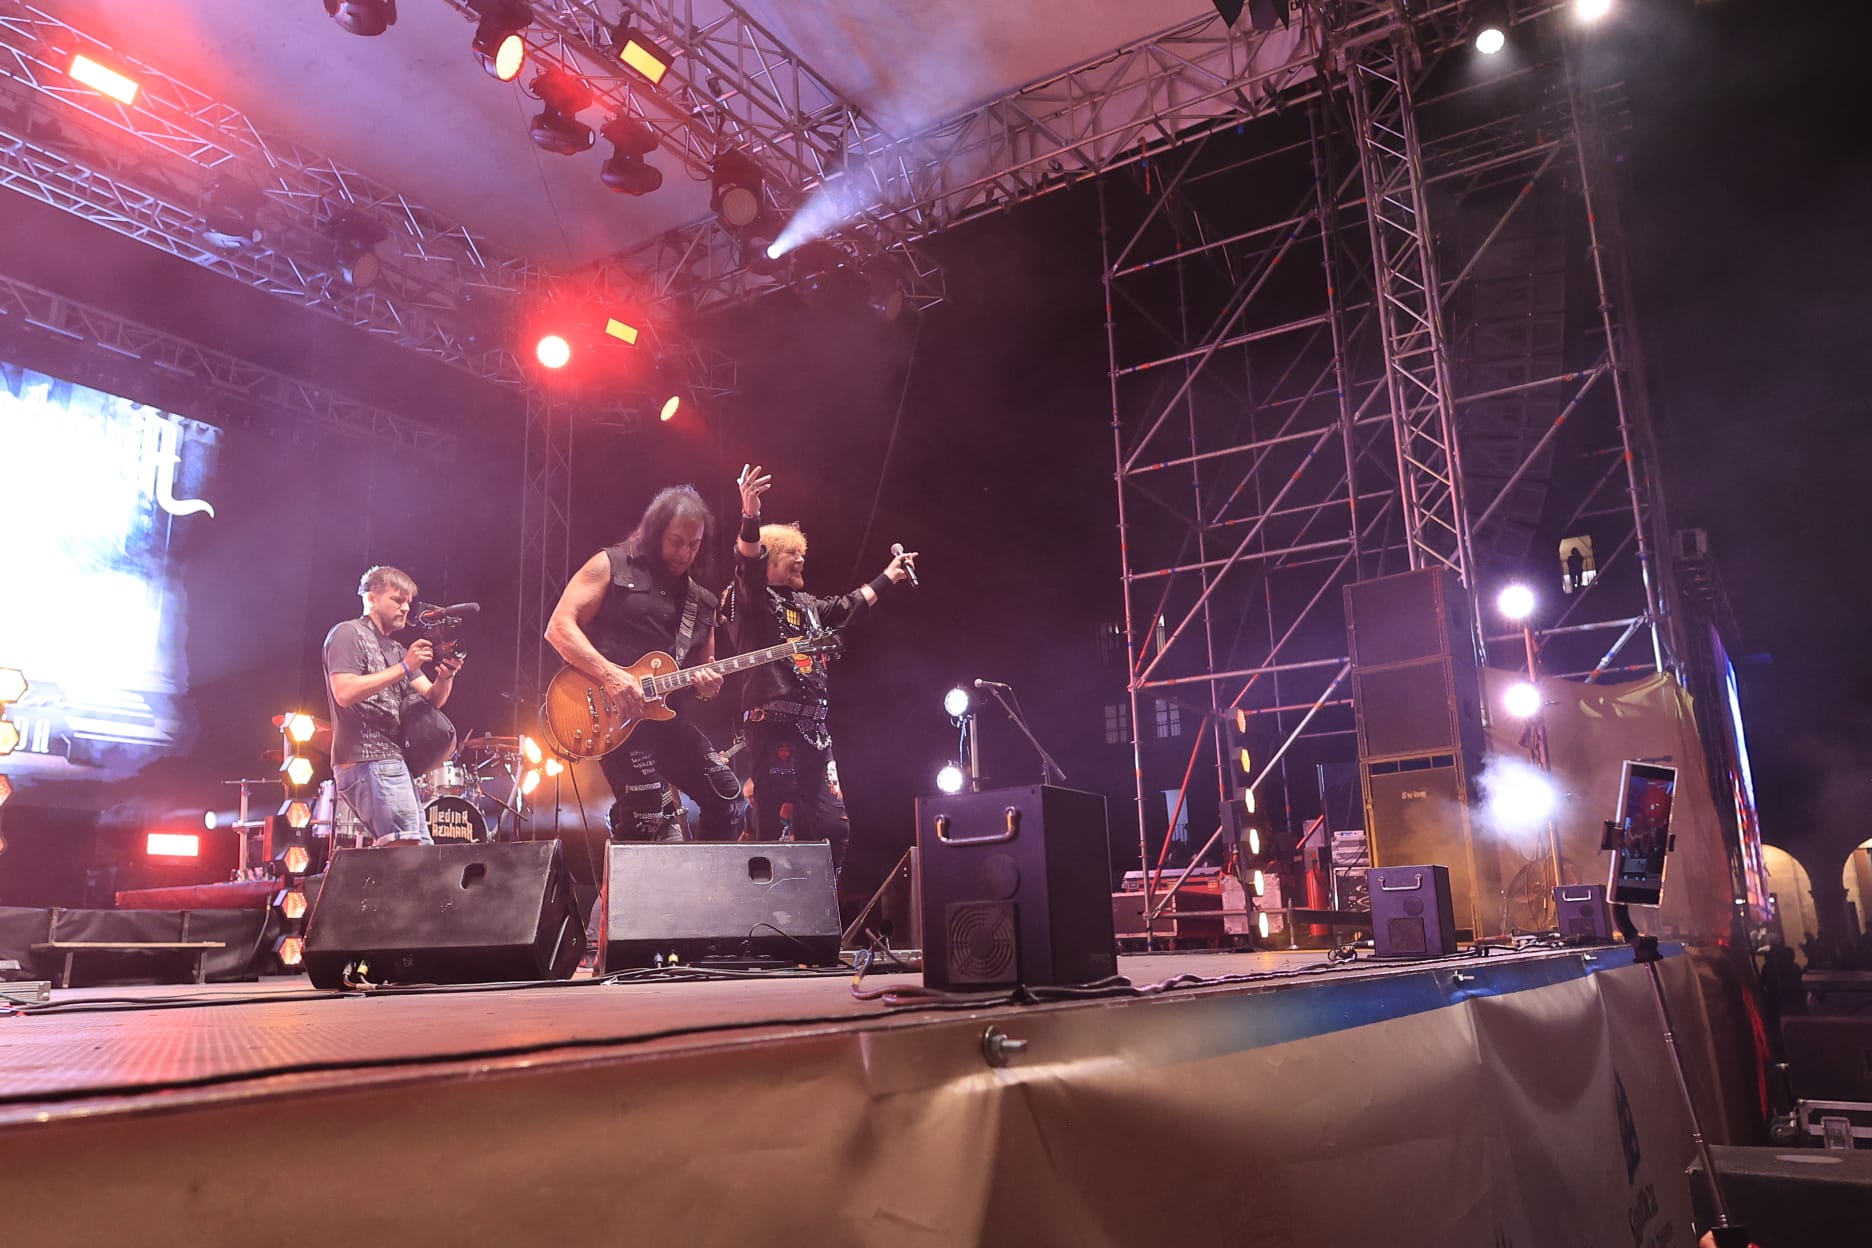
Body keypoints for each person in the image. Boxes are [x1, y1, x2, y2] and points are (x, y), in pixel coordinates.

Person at [719, 465, 916, 875]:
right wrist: (750, 515)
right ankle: (757, 914)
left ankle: (821, 916)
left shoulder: (807, 606)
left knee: (832, 826)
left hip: (816, 733)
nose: (801, 557)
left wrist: (888, 576)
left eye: (801, 551)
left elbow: (846, 607)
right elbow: (747, 565)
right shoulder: (753, 601)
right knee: (771, 823)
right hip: (772, 726)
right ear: (770, 559)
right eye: (792, 552)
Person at [545, 485, 743, 843]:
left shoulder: (702, 602)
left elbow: (704, 669)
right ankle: (616, 900)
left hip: (665, 720)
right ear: (655, 532)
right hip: (611, 711)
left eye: (693, 544)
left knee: (728, 798)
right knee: (646, 811)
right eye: (676, 540)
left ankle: (706, 892)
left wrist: (709, 686)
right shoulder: (611, 564)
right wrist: (611, 677)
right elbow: (559, 628)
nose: (684, 552)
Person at [323, 565, 464, 847]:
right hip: (367, 759)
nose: (405, 609)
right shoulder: (347, 633)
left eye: (408, 603)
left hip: (392, 762)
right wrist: (404, 666)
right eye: (397, 600)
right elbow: (345, 691)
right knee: (407, 853)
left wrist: (446, 675)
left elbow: (432, 698)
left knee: (418, 851)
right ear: (371, 597)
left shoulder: (396, 649)